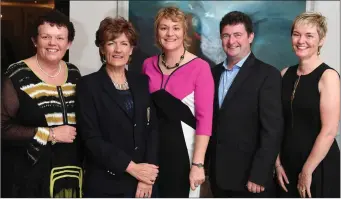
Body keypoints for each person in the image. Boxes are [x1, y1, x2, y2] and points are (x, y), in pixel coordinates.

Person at [1, 10, 82, 198]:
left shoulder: (74, 73)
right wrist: (50, 133)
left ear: (68, 43)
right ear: (35, 40)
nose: (53, 43)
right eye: (46, 36)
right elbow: (2, 127)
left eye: (60, 38)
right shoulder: (17, 74)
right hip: (28, 175)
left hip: (69, 171)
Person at [75, 16, 159, 198]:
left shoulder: (141, 82)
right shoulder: (87, 85)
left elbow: (151, 129)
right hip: (106, 182)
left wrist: (147, 176)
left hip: (142, 183)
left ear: (131, 49)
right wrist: (131, 167)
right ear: (102, 49)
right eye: (111, 43)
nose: (118, 49)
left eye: (124, 43)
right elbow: (91, 139)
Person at [208, 11, 284, 197]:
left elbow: (272, 130)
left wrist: (260, 174)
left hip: (251, 180)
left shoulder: (267, 75)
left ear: (250, 37)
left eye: (237, 35)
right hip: (218, 177)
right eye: (226, 35)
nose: (231, 41)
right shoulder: (212, 73)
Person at [142, 6, 214, 197]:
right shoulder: (147, 65)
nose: (170, 33)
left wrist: (198, 164)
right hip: (151, 156)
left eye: (176, 28)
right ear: (157, 32)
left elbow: (204, 120)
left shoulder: (201, 68)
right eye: (164, 27)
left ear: (184, 32)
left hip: (185, 156)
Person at [275, 12, 340, 198]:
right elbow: (277, 124)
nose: (301, 40)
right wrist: (277, 163)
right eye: (296, 34)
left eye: (309, 35)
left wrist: (307, 171)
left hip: (317, 166)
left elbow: (329, 130)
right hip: (285, 167)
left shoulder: (328, 77)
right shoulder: (284, 74)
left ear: (321, 40)